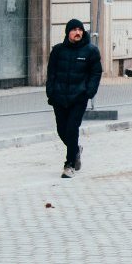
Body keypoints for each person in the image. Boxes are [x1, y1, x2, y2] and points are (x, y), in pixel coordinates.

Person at [46, 18, 102, 178]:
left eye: (80, 30)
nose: (77, 33)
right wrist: (51, 92)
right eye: (74, 30)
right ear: (68, 32)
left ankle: (69, 164)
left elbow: (96, 73)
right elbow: (51, 73)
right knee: (61, 130)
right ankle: (76, 150)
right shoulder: (57, 51)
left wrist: (89, 92)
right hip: (59, 97)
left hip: (78, 97)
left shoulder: (91, 51)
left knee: (71, 129)